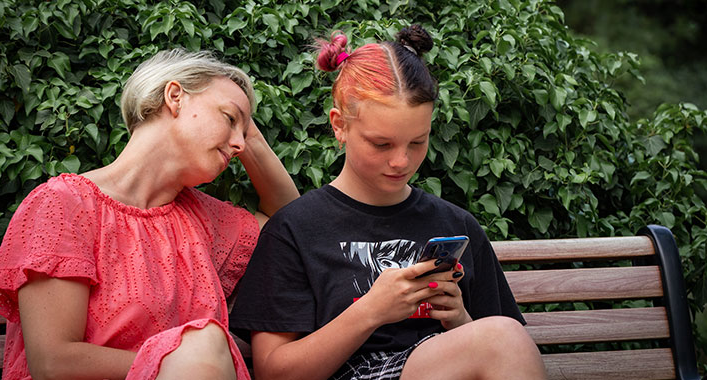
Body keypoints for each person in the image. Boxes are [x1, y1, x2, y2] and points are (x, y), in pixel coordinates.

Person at [229, 25, 547, 380]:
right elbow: (273, 373)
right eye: (381, 144)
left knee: (501, 337)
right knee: (500, 338)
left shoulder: (457, 225)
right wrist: (370, 311)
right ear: (339, 126)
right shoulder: (294, 229)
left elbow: (501, 349)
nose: (402, 161)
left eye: (417, 142)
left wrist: (457, 318)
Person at [0, 48, 299, 380]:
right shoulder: (65, 205)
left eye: (244, 134)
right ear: (175, 97)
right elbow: (54, 363)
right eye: (230, 119)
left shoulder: (202, 220)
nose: (239, 145)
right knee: (204, 344)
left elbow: (289, 221)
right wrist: (181, 366)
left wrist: (252, 135)